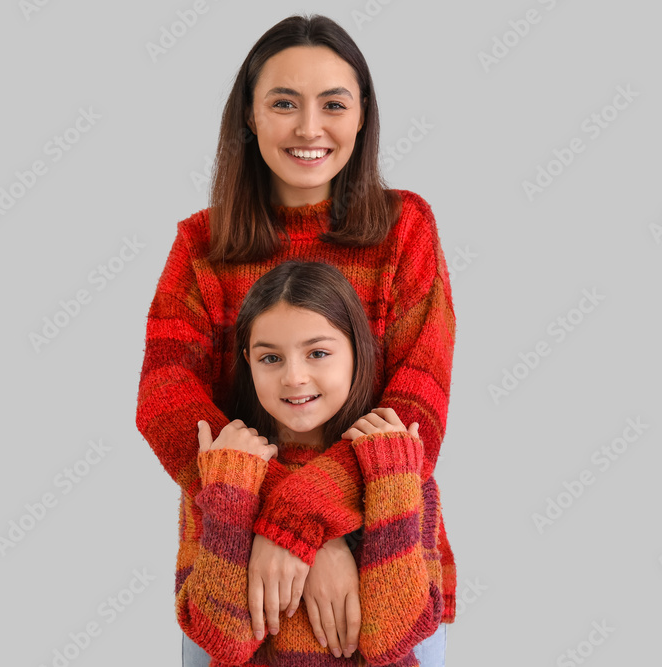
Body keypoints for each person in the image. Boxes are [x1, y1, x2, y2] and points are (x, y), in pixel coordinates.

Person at [135, 12, 457, 664]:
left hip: (385, 563)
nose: (309, 128)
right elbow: (166, 400)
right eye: (284, 103)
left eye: (332, 104)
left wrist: (308, 524)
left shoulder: (406, 230)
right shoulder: (201, 244)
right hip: (237, 572)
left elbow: (417, 407)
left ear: (362, 114)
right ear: (249, 118)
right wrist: (283, 526)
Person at [177, 260, 445, 665]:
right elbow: (222, 640)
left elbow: (394, 637)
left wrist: (391, 476)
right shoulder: (225, 468)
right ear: (247, 360)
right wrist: (230, 486)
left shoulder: (396, 464)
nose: (295, 377)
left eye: (318, 352)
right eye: (271, 359)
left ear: (358, 350)